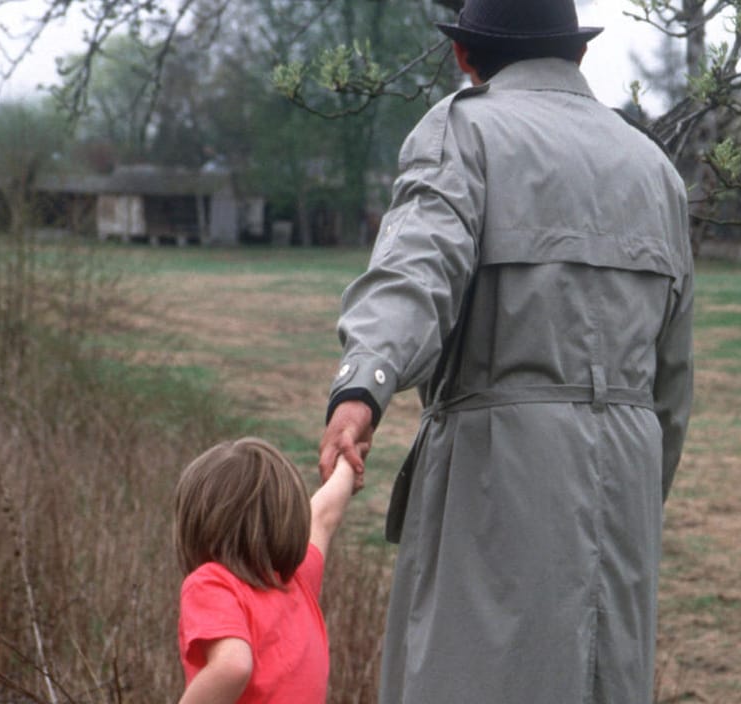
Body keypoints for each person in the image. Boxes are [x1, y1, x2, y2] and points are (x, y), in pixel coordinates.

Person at [317, 0, 695, 701]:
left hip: (494, 488)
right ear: (575, 56)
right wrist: (635, 498)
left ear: (466, 57)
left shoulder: (465, 130)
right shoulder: (655, 171)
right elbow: (671, 388)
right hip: (625, 502)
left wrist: (362, 383)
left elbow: (415, 267)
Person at [174, 437, 357, 704]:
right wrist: (348, 461)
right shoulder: (297, 579)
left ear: (195, 521)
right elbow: (323, 516)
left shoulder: (211, 583)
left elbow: (232, 666)